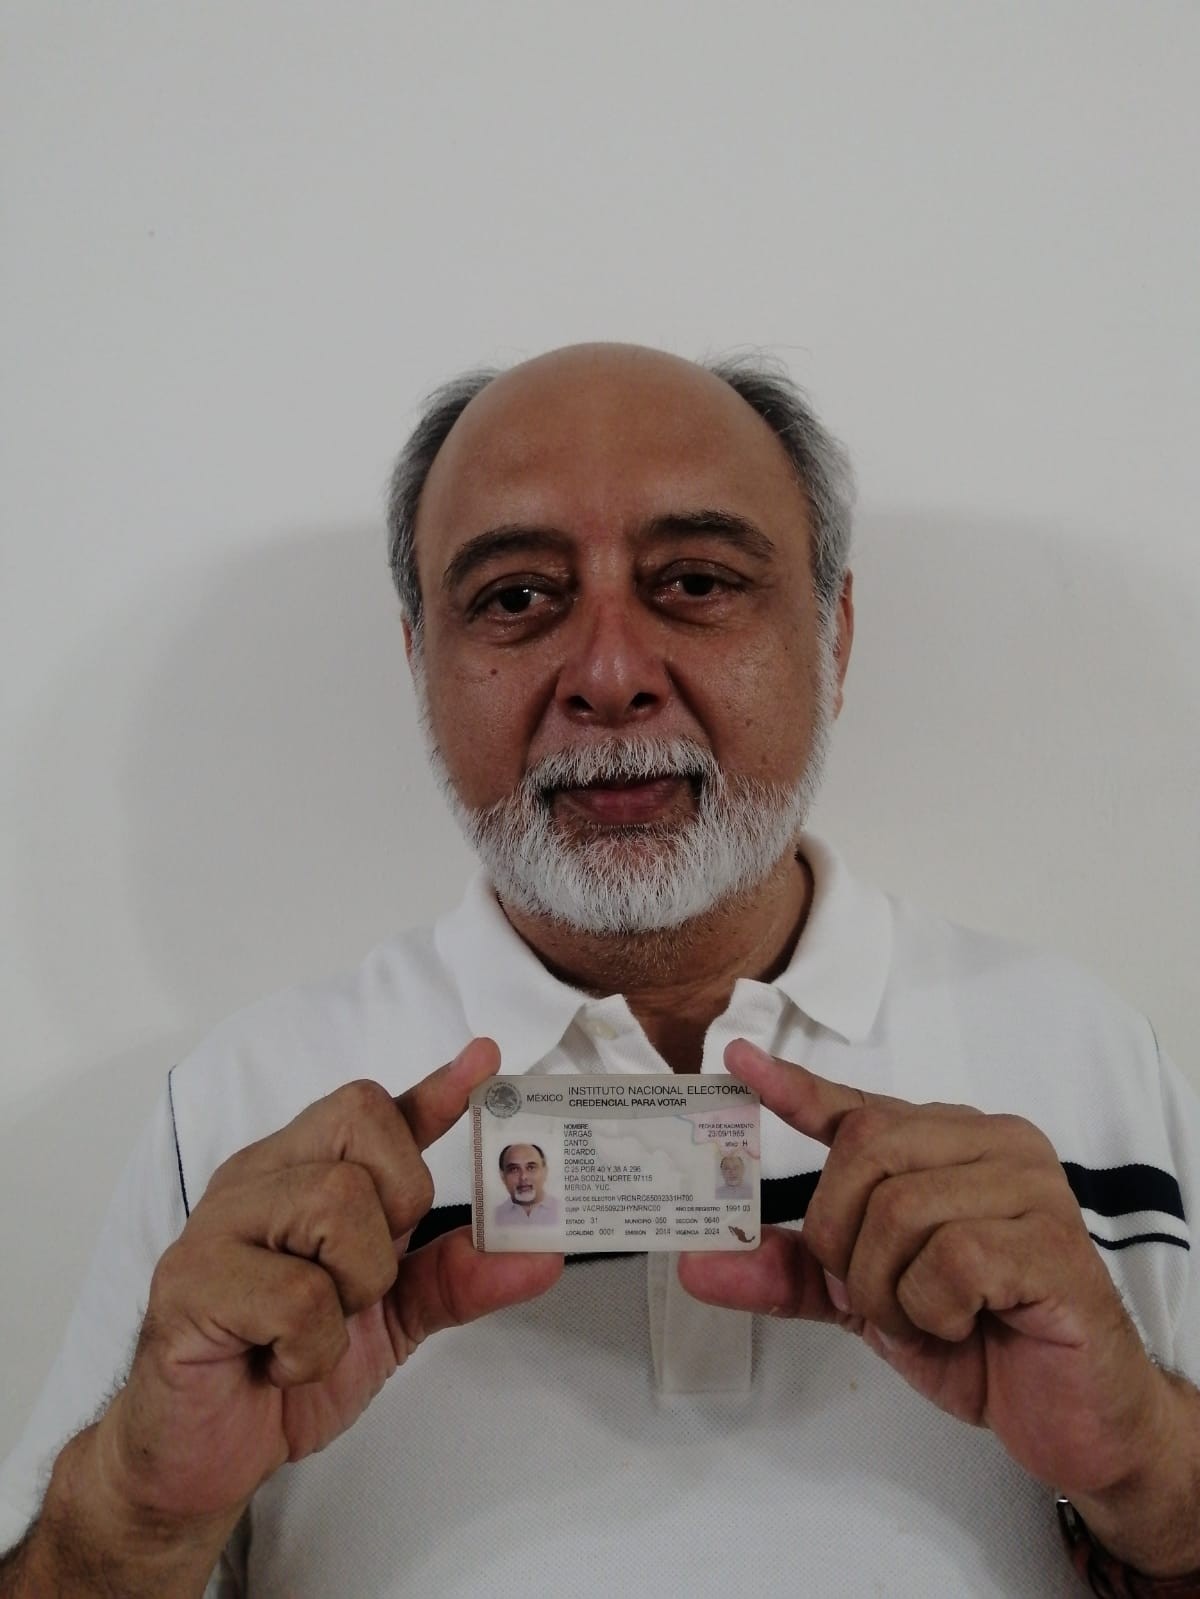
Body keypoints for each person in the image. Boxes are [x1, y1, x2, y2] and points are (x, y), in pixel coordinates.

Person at [1, 342, 1198, 1597]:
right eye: (517, 597)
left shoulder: (1085, 1064)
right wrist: (134, 1522)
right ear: (419, 661)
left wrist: (1154, 1475)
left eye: (697, 582)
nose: (611, 677)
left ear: (834, 634)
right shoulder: (241, 1117)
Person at [494, 1143, 560, 1224]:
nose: (523, 1177)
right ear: (502, 1176)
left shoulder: (564, 1211)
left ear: (545, 1172)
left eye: (531, 1168)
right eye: (514, 1169)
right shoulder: (493, 1218)